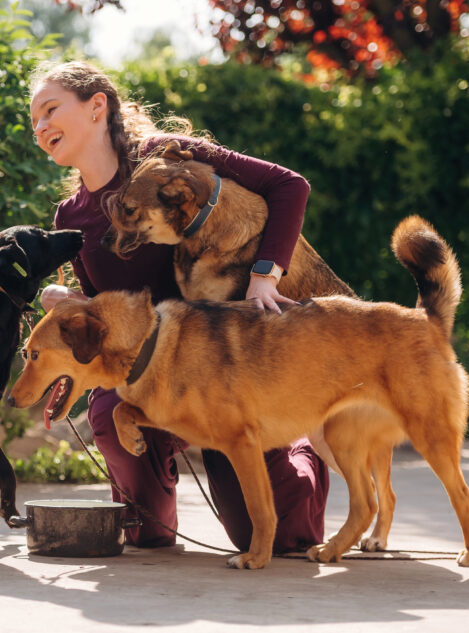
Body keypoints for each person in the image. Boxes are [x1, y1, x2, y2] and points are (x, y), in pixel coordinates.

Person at [28, 60, 328, 553]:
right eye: (34, 121)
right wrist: (71, 304)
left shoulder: (169, 158)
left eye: (50, 110)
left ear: (97, 106)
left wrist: (263, 278)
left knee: (282, 537)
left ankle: (299, 446)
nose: (40, 128)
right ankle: (156, 488)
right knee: (145, 535)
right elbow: (110, 314)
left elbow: (289, 185)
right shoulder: (71, 215)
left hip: (224, 372)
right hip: (147, 377)